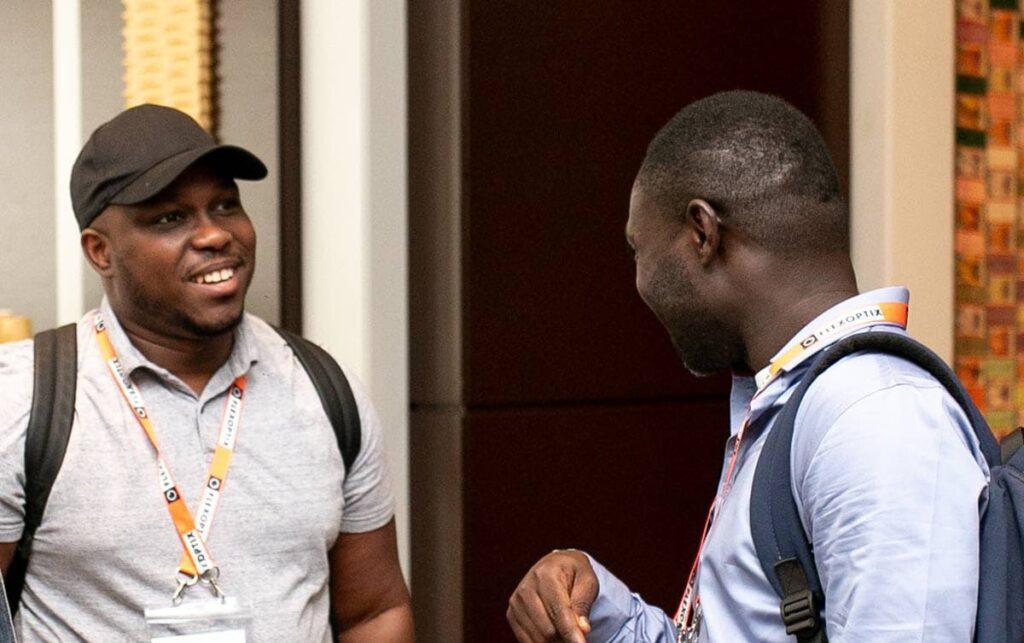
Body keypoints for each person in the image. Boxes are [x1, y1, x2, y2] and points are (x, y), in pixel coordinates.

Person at [506, 91, 989, 642]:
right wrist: (604, 615)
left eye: (638, 250)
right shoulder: (793, 406)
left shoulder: (875, 419)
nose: (639, 284)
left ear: (702, 234)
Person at [0, 104, 414, 641]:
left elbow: (374, 611)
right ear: (100, 251)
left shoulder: (324, 389)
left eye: (225, 205)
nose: (215, 234)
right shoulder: (25, 399)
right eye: (170, 217)